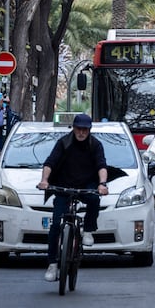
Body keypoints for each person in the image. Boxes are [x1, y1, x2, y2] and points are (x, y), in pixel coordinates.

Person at [37, 113, 109, 282]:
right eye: (79, 129)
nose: (81, 133)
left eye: (85, 130)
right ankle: (53, 264)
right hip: (64, 185)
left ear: (89, 130)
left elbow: (102, 165)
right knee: (55, 225)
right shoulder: (63, 143)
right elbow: (50, 163)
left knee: (94, 199)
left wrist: (102, 184)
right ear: (73, 128)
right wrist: (44, 180)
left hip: (86, 184)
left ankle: (89, 230)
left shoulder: (95, 145)